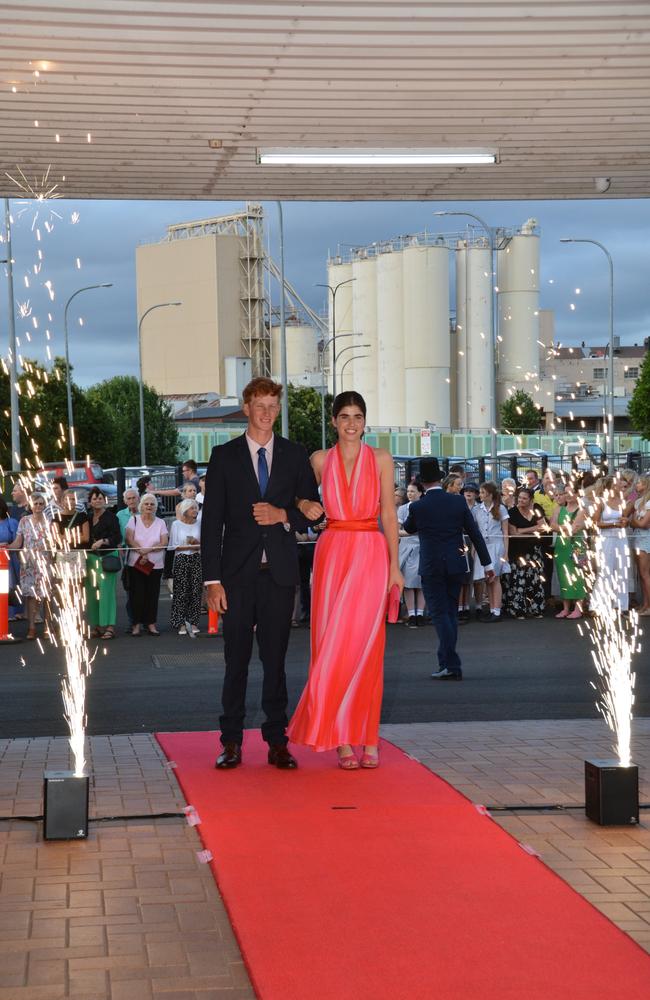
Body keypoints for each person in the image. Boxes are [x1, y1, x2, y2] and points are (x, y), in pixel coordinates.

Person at [202, 376, 321, 771]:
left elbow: (311, 511)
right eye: (260, 406)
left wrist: (283, 513)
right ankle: (231, 741)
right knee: (235, 661)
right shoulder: (223, 456)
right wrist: (211, 580)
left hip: (280, 575)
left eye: (273, 406)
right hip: (235, 577)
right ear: (246, 408)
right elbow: (211, 524)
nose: (267, 413)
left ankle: (276, 741)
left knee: (276, 661)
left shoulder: (294, 453)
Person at [288, 390, 403, 769]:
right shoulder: (319, 460)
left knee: (368, 647)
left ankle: (368, 736)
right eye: (344, 417)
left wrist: (394, 566)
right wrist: (305, 505)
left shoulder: (382, 459)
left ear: (364, 421)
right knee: (332, 645)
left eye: (357, 416)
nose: (351, 424)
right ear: (334, 421)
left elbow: (388, 514)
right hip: (333, 552)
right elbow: (299, 502)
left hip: (371, 553)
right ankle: (339, 738)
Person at [403, 458, 493, 681]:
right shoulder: (457, 502)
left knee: (440, 614)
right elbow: (474, 533)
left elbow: (409, 527)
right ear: (441, 478)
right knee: (450, 612)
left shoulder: (418, 506)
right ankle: (446, 661)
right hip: (456, 563)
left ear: (421, 482)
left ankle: (451, 664)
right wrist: (487, 563)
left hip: (432, 566)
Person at [7, 492, 56, 640]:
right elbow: (18, 541)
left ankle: (48, 626)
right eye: (36, 503)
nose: (39, 506)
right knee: (31, 596)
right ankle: (32, 627)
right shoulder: (24, 521)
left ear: (45, 505)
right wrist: (7, 548)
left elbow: (54, 543)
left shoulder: (49, 521)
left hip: (45, 561)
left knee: (47, 595)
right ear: (30, 505)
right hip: (28, 563)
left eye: (41, 503)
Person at [125, 493, 168, 636]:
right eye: (146, 504)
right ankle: (136, 625)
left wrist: (148, 550)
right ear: (141, 506)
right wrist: (142, 552)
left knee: (152, 595)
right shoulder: (133, 520)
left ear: (155, 507)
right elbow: (129, 539)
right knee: (136, 595)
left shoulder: (161, 522)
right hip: (136, 563)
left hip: (155, 564)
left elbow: (164, 542)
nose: (149, 506)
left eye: (152, 504)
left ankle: (151, 624)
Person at [504, 488, 548, 619]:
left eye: (524, 498)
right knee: (519, 580)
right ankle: (518, 610)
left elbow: (544, 527)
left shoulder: (537, 508)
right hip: (518, 551)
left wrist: (524, 530)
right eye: (519, 498)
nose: (521, 501)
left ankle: (536, 609)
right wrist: (534, 529)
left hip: (534, 550)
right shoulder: (512, 512)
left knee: (535, 579)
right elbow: (513, 533)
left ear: (531, 500)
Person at [590, 474, 631, 615]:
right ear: (611, 486)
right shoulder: (600, 501)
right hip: (606, 539)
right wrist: (613, 524)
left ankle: (621, 605)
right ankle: (597, 605)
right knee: (605, 571)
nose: (620, 486)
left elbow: (625, 519)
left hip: (621, 538)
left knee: (622, 570)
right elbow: (595, 523)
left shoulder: (623, 501)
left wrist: (625, 522)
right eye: (617, 484)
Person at [85, 486, 121, 640]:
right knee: (92, 593)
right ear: (90, 502)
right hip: (90, 558)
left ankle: (110, 626)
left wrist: (103, 541)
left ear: (104, 500)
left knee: (107, 592)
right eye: (95, 498)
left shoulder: (112, 517)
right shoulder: (87, 517)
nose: (98, 500)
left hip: (107, 557)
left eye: (100, 498)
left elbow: (117, 537)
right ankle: (97, 626)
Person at [472, 482, 509, 621]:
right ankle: (492, 608)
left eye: (482, 492)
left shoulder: (501, 509)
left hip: (496, 546)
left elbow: (505, 532)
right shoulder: (476, 510)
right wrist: (474, 548)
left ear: (490, 494)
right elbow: (475, 531)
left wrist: (506, 553)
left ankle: (497, 610)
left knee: (496, 578)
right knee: (487, 579)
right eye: (480, 492)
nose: (480, 495)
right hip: (483, 547)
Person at [551, 480, 587, 619]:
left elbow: (575, 528)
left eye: (572, 492)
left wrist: (565, 528)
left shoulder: (582, 510)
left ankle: (578, 608)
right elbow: (552, 525)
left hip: (577, 547)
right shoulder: (559, 509)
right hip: (561, 546)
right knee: (563, 576)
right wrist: (566, 528)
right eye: (566, 492)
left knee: (577, 576)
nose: (569, 495)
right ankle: (566, 608)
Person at [168, 498, 203, 634]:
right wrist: (189, 545)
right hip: (181, 559)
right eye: (192, 508)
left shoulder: (200, 524)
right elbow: (172, 545)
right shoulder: (176, 524)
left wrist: (196, 543)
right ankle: (180, 622)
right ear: (185, 510)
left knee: (196, 591)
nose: (195, 510)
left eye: (196, 508)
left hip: (196, 558)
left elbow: (203, 544)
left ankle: (193, 622)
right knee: (181, 591)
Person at [397, 481, 425, 627]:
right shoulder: (402, 509)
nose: (410, 494)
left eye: (413, 491)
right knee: (407, 582)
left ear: (420, 493)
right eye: (408, 491)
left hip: (422, 546)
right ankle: (412, 613)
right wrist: (410, 532)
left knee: (421, 582)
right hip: (406, 548)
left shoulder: (425, 507)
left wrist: (407, 532)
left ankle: (420, 613)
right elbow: (397, 530)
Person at [117, 488, 140, 631]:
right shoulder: (120, 515)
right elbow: (119, 537)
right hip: (127, 554)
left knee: (145, 589)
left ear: (138, 499)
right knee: (130, 589)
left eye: (134, 498)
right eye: (129, 499)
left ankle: (145, 621)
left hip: (145, 553)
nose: (132, 501)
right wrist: (121, 551)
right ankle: (133, 621)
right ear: (125, 501)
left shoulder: (145, 512)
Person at [458, 483, 480, 620]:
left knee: (475, 576)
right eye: (466, 490)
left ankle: (474, 606)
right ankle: (461, 607)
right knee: (462, 575)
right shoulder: (459, 505)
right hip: (460, 540)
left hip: (474, 542)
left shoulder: (479, 508)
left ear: (477, 494)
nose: (468, 493)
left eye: (472, 491)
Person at [630, 477, 650, 615]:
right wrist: (637, 522)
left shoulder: (648, 503)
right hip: (637, 537)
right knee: (641, 575)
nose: (636, 485)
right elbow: (635, 522)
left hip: (645, 539)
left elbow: (642, 524)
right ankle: (645, 604)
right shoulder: (638, 502)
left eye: (638, 482)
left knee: (645, 574)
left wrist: (635, 521)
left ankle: (648, 606)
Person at [0, 498, 19, 622]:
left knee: (7, 587)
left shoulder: (11, 522)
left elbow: (17, 543)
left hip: (7, 560)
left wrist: (6, 546)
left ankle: (9, 613)